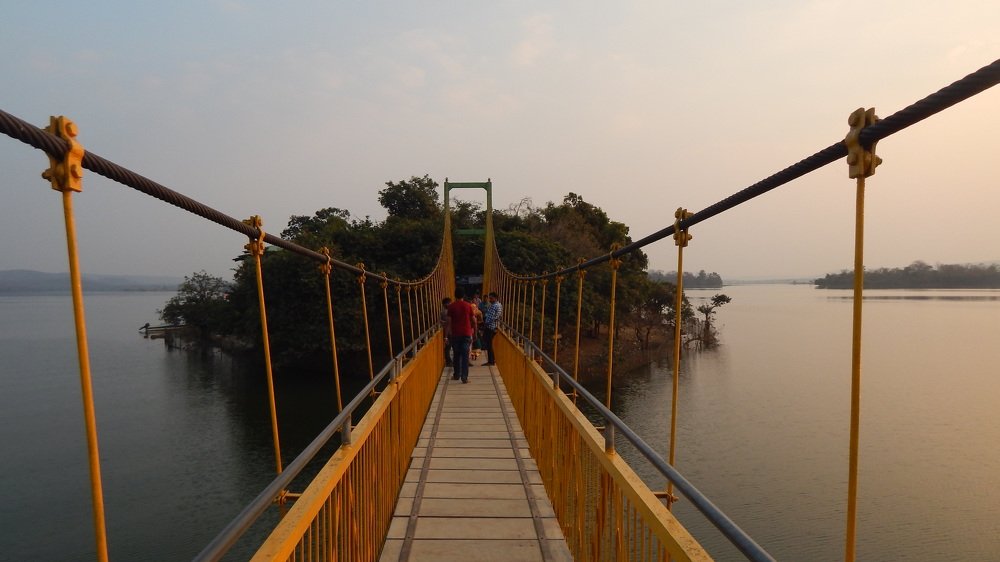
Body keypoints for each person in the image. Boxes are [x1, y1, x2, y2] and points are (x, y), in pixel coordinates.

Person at [446, 287, 476, 383]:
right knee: (465, 355)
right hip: (467, 333)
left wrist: (447, 335)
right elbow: (474, 320)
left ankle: (456, 375)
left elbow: (449, 322)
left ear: (455, 295)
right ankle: (464, 377)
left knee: (456, 355)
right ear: (463, 295)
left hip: (455, 334)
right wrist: (474, 331)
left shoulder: (451, 306)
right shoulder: (468, 306)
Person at [481, 292, 502, 366]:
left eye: (491, 298)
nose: (489, 299)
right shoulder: (498, 305)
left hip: (490, 327)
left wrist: (486, 323)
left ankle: (491, 361)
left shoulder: (494, 306)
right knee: (488, 343)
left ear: (495, 298)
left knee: (488, 344)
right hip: (493, 326)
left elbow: (492, 317)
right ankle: (491, 360)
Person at [440, 297, 452, 367]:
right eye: (450, 303)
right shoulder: (446, 312)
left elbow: (441, 322)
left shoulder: (443, 311)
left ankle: (449, 361)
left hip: (448, 332)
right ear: (446, 304)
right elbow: (447, 323)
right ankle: (449, 362)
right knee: (448, 347)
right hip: (449, 332)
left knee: (448, 347)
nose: (451, 304)